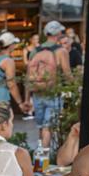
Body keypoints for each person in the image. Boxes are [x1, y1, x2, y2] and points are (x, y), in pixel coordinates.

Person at [26, 20, 72, 148]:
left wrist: (26, 99)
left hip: (37, 93)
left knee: (41, 127)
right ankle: (43, 159)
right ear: (57, 34)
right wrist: (74, 90)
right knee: (48, 128)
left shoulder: (35, 50)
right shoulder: (61, 51)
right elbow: (67, 74)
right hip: (53, 93)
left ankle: (39, 154)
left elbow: (29, 75)